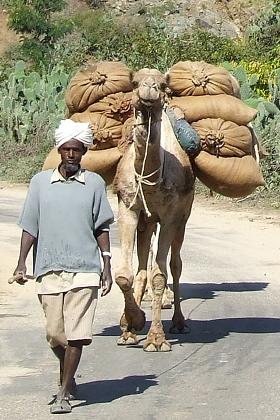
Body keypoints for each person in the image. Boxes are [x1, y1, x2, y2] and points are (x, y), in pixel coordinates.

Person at [13, 119, 114, 414]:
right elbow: (30, 227)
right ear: (59, 149)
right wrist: (21, 262)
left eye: (77, 150)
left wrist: (106, 264)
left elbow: (101, 227)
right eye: (67, 149)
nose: (71, 154)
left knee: (77, 334)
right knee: (55, 333)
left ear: (83, 151)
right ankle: (66, 373)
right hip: (49, 267)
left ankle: (63, 393)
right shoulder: (39, 183)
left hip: (85, 269)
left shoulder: (94, 183)